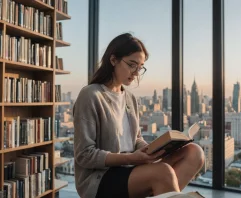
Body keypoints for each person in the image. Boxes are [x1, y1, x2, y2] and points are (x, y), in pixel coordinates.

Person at [73, 33, 205, 198]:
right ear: (113, 60)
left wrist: (156, 149)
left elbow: (136, 140)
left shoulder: (130, 98)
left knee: (194, 152)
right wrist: (131, 159)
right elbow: (84, 155)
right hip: (101, 178)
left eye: (140, 67)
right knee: (162, 173)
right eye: (132, 65)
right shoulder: (91, 95)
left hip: (131, 168)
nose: (136, 73)